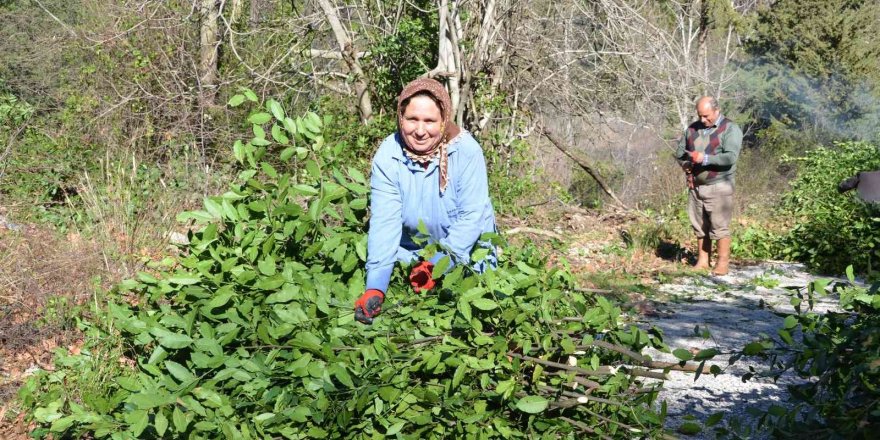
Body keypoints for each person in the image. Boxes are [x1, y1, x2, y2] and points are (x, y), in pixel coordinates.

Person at [354, 78, 497, 324]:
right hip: (413, 252)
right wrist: (375, 287)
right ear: (401, 117)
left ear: (444, 121)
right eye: (412, 119)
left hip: (468, 252)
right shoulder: (389, 155)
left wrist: (437, 265)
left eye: (429, 121)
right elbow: (385, 224)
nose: (420, 131)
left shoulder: (466, 152)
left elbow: (472, 218)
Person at [675, 96, 743, 276]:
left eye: (706, 116)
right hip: (696, 186)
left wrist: (704, 159)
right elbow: (680, 153)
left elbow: (730, 157)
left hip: (720, 184)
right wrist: (685, 164)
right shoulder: (692, 129)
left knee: (719, 226)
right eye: (700, 116)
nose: (703, 120)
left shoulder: (730, 129)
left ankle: (722, 263)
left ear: (716, 110)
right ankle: (703, 261)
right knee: (699, 225)